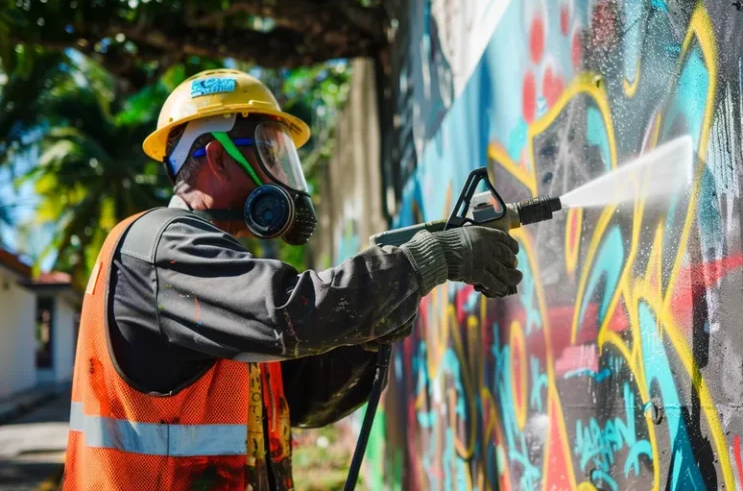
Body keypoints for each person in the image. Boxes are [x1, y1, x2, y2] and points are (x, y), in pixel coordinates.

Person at [61, 69, 522, 491]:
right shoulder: (163, 247)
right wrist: (427, 260)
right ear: (218, 159)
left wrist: (369, 331)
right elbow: (291, 313)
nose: (283, 177)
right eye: (268, 151)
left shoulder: (215, 273)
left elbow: (303, 401)